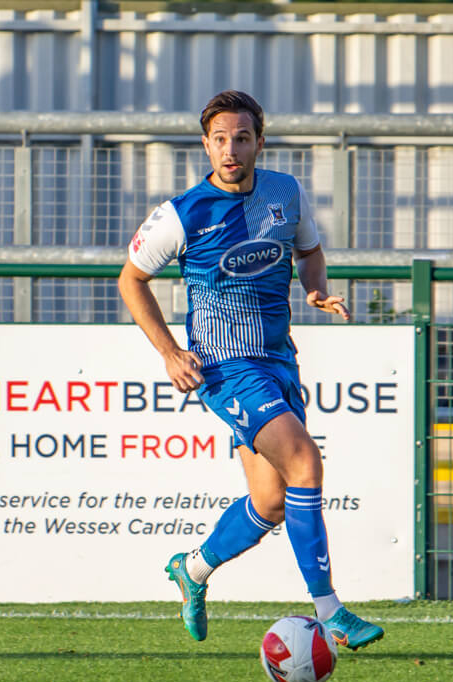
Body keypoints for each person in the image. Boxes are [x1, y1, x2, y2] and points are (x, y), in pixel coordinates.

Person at [117, 90, 384, 651]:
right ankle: (331, 611)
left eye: (242, 138)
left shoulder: (286, 193)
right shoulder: (182, 213)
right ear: (206, 145)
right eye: (220, 139)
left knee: (270, 501)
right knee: (305, 459)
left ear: (259, 142)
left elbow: (308, 250)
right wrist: (169, 351)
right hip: (225, 366)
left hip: (278, 358)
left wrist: (316, 288)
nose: (231, 149)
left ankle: (192, 568)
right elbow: (130, 280)